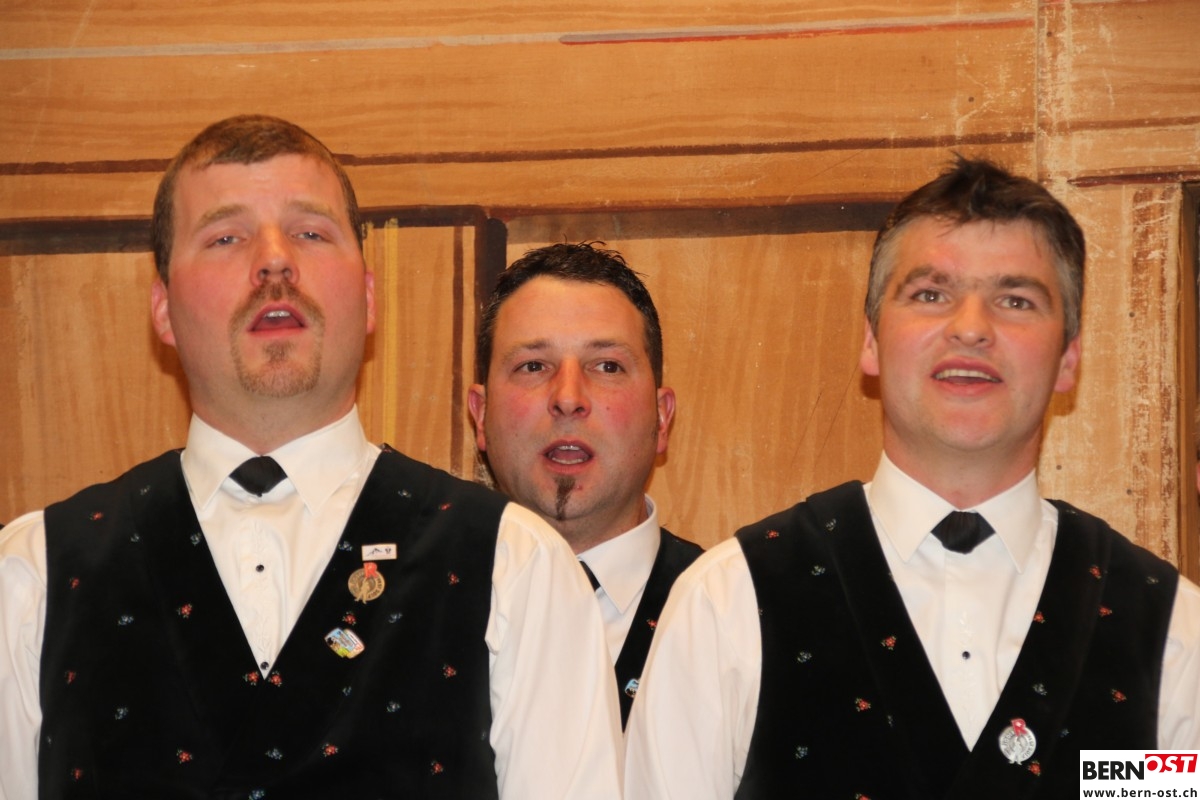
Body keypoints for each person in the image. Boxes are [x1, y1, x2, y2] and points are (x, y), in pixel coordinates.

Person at [0, 115, 621, 799]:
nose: (274, 262)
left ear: (369, 297)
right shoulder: (32, 577)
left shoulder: (517, 568)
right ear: (164, 310)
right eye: (226, 237)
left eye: (310, 233)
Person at [625, 156, 1200, 798]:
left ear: (1069, 358)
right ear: (871, 342)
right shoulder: (727, 604)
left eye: (1015, 300)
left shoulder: (1173, 631)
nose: (971, 328)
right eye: (931, 294)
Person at [468, 242, 702, 728]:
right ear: (481, 415)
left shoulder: (733, 611)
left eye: (607, 366)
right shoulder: (416, 612)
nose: (568, 398)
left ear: (661, 419)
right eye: (534, 365)